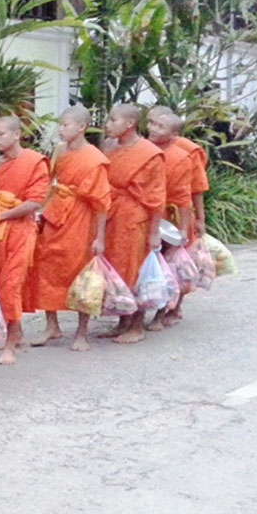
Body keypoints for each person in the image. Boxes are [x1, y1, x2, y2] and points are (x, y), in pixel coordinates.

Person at [32, 106, 111, 352]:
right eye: (61, 125)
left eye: (66, 125)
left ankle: (81, 332)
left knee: (80, 272)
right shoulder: (58, 152)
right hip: (56, 215)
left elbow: (101, 201)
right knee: (47, 267)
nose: (62, 129)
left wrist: (99, 237)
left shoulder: (94, 158)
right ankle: (52, 325)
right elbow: (48, 184)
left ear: (81, 127)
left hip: (80, 218)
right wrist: (39, 213)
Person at [0, 116, 49, 365]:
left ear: (16, 134)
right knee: (1, 283)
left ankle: (10, 344)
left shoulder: (34, 162)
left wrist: (4, 214)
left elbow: (36, 201)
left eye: (1, 133)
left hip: (21, 229)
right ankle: (16, 331)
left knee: (11, 284)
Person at [102, 104, 165, 344]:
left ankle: (137, 325)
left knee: (134, 267)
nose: (108, 124)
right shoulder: (110, 148)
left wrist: (154, 231)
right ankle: (122, 321)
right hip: (112, 215)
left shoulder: (149, 153)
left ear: (129, 123)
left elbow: (157, 195)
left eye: (113, 120)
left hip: (135, 217)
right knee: (115, 267)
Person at [147, 111, 193, 330]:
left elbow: (185, 197)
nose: (153, 129)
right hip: (147, 215)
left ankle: (162, 313)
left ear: (174, 134)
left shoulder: (181, 157)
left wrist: (183, 230)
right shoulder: (144, 150)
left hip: (171, 218)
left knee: (168, 266)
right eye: (151, 124)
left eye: (160, 127)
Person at [147, 105, 209, 242]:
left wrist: (200, 219)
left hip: (176, 216)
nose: (150, 128)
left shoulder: (187, 151)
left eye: (157, 125)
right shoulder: (145, 147)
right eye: (150, 123)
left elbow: (196, 188)